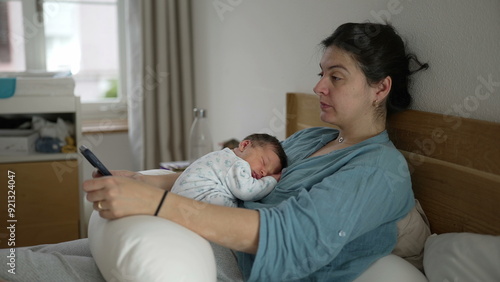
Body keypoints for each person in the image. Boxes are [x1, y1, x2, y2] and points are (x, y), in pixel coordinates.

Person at [0, 22, 428, 282]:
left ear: (380, 88)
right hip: (203, 235)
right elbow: (231, 172)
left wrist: (159, 202)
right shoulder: (313, 139)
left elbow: (292, 238)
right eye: (321, 74)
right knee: (26, 258)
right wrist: (144, 180)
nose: (319, 87)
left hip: (235, 266)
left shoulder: (380, 171)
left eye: (336, 77)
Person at [171, 133, 287, 207]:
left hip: (180, 200)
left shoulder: (223, 156)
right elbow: (247, 191)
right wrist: (272, 179)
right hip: (195, 200)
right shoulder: (237, 163)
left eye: (268, 173)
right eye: (263, 162)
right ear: (244, 145)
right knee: (229, 212)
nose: (264, 173)